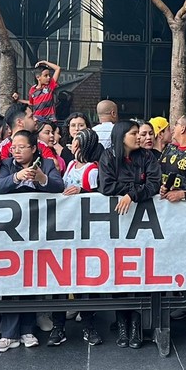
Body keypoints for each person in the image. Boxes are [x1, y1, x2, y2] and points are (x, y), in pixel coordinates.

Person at [0, 129, 64, 352]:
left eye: (22, 147)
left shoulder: (47, 163)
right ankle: (9, 333)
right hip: (11, 234)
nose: (17, 151)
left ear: (33, 148)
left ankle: (27, 329)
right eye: (14, 147)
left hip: (39, 232)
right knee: (12, 279)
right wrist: (15, 178)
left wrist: (41, 178)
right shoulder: (6, 165)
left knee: (32, 278)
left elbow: (58, 186)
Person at [98, 120, 161, 349]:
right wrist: (134, 188)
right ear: (121, 135)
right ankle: (122, 325)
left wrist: (132, 194)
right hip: (116, 225)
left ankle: (135, 325)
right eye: (134, 133)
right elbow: (106, 187)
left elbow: (154, 183)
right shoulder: (107, 157)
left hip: (143, 226)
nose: (139, 137)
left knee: (138, 273)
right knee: (119, 273)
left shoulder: (147, 157)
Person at [55, 127, 105, 346]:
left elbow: (100, 197)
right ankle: (58, 326)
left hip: (85, 232)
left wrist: (82, 193)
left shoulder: (92, 170)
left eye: (76, 141)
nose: (72, 144)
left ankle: (88, 324)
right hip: (67, 229)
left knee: (86, 280)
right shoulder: (72, 166)